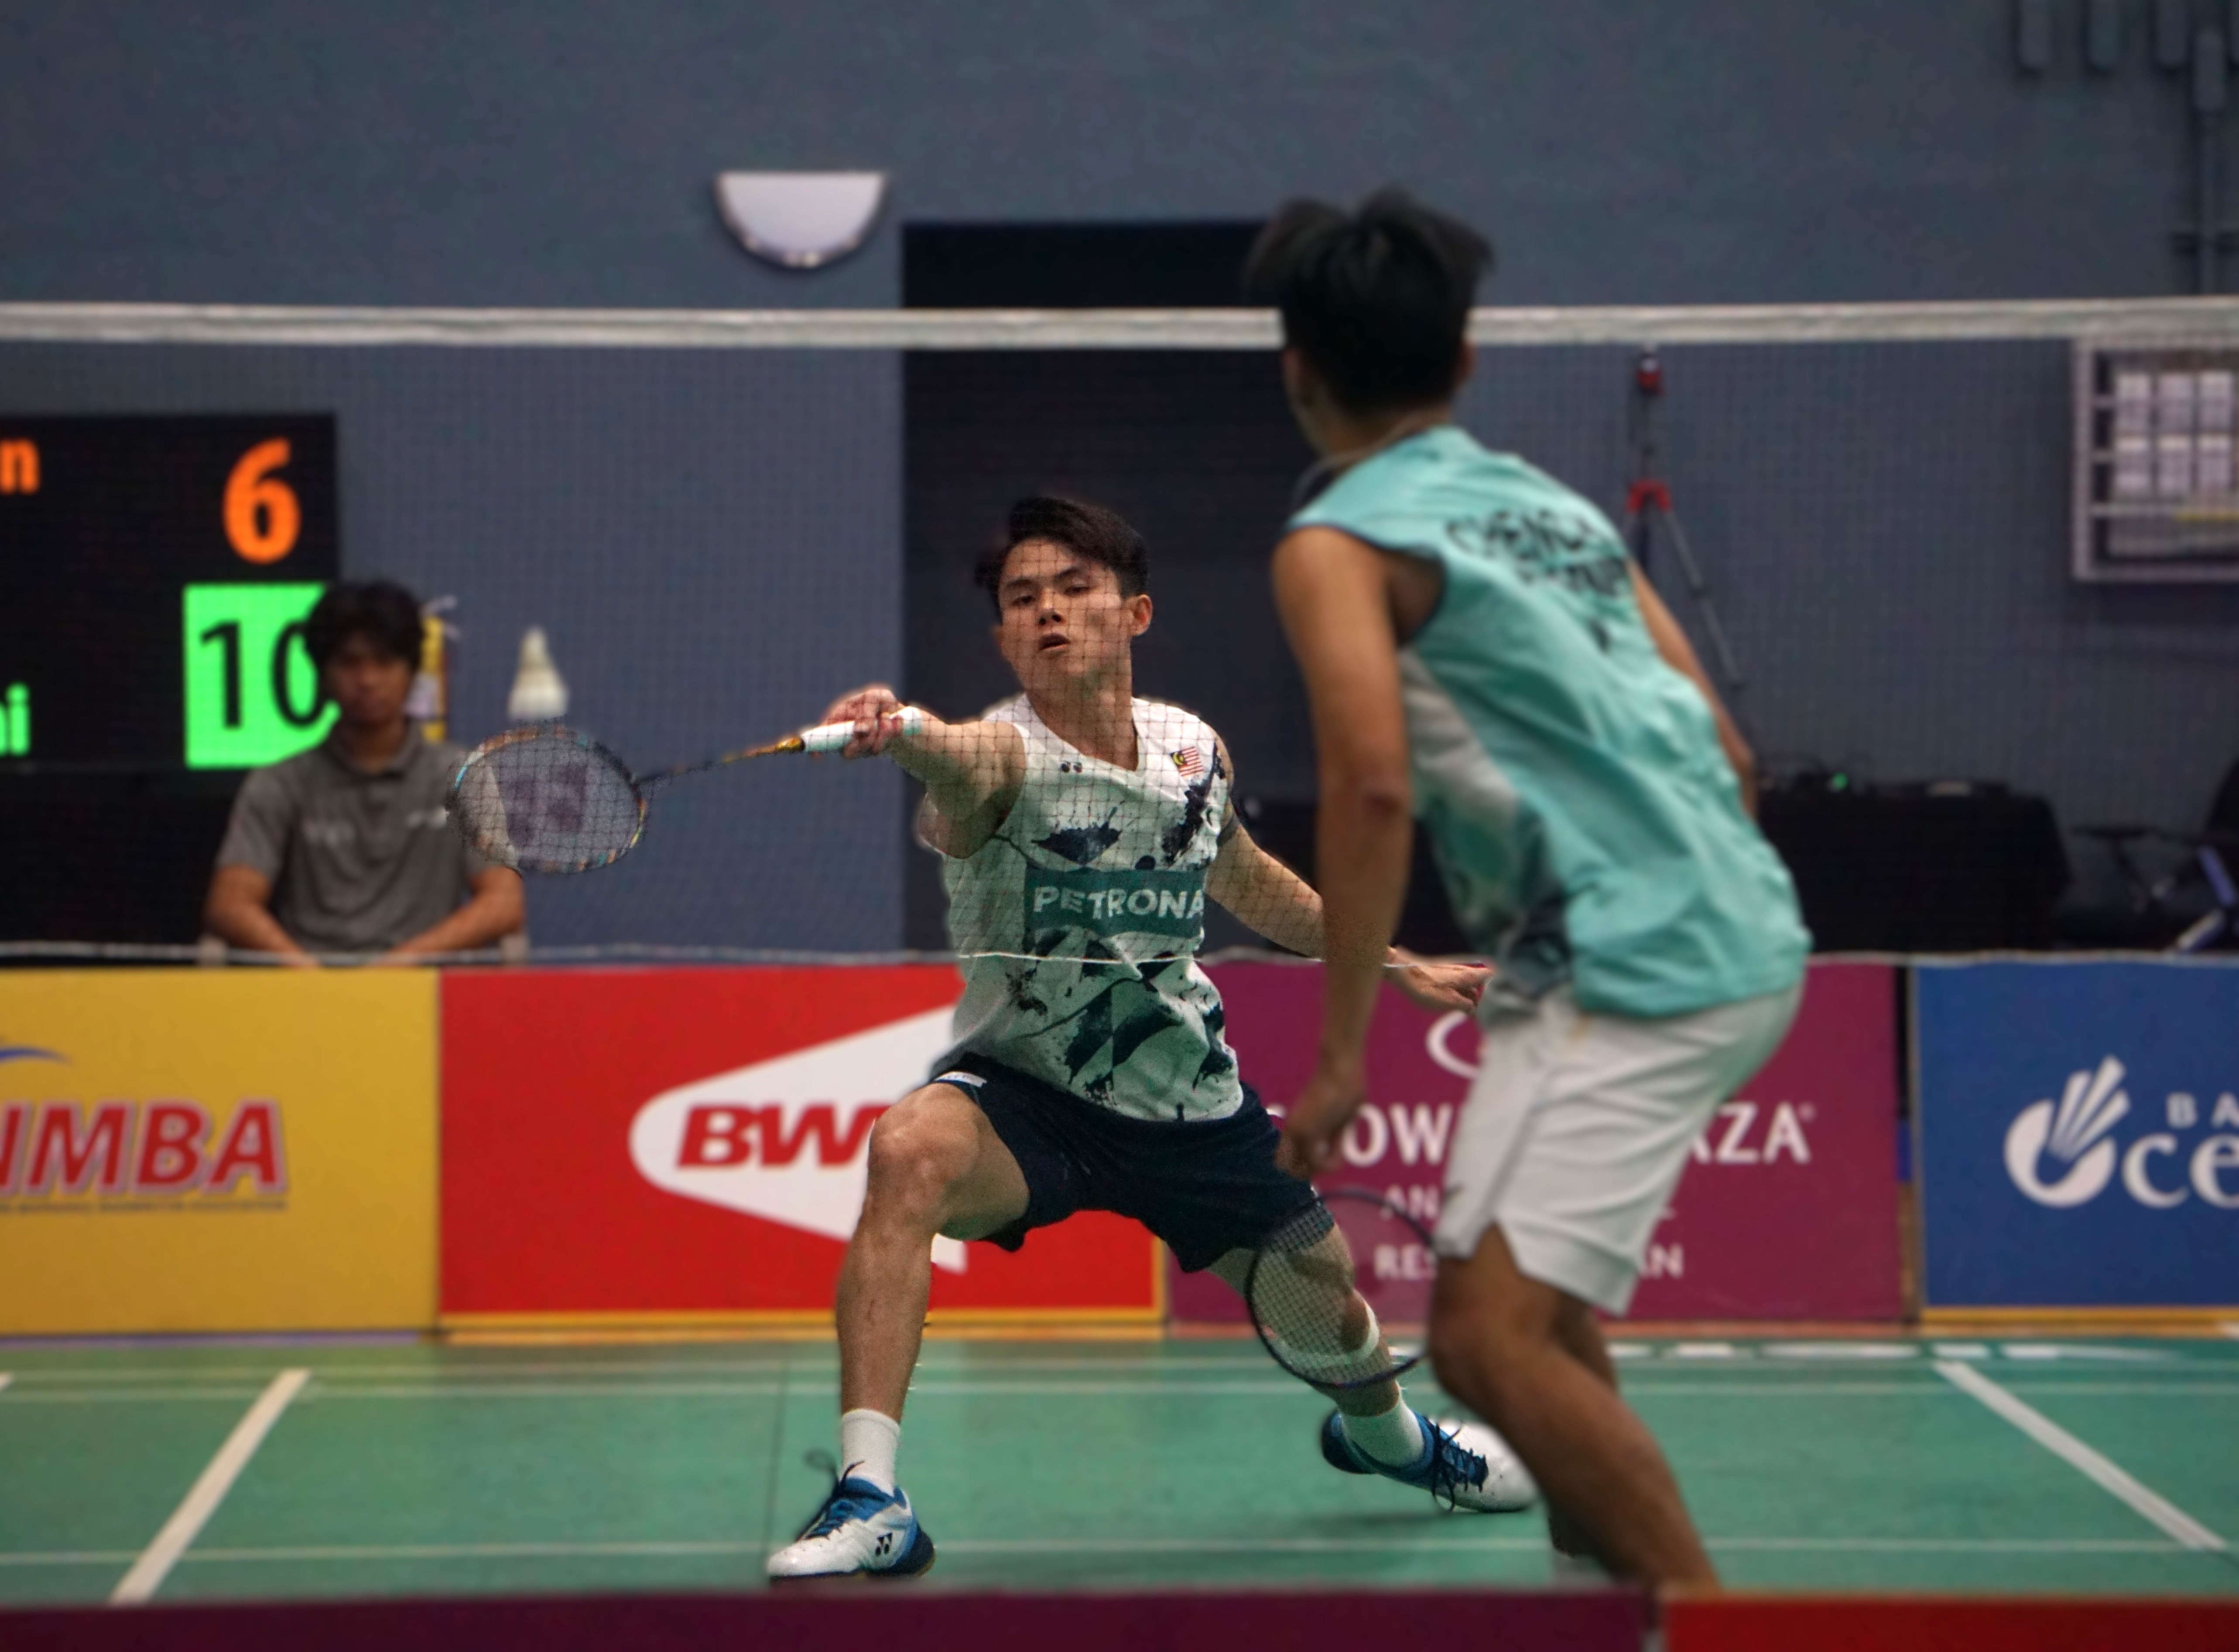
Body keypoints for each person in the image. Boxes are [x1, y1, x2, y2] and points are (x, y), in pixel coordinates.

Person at [765, 495, 1538, 1582]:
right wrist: (904, 731)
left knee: (1338, 1326)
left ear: (1134, 613)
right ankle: (871, 1494)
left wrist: (1402, 963)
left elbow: (1254, 883)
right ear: (1003, 636)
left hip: (1188, 1102)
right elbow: (955, 762)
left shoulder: (1191, 750)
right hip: (1026, 1092)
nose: (1046, 613)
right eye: (1021, 598)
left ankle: (1391, 1440)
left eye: (1074, 590)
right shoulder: (1000, 756)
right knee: (908, 1151)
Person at [1248, 191, 1809, 1590]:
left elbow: (1372, 790)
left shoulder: (1335, 545)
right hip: (1710, 925)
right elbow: (1727, 750)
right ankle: (1595, 1604)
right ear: (1468, 361)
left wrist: (1335, 1060)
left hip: (1629, 960)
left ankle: (1696, 1625)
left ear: (1296, 368)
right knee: (1534, 1318)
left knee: (1486, 1342)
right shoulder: (1559, 513)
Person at [203, 579, 524, 964]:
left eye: (385, 662)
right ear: (322, 674)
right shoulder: (279, 783)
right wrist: (310, 976)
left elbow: (503, 902)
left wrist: (398, 966)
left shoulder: (460, 775)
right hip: (309, 997)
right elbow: (230, 904)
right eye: (350, 663)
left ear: (411, 672)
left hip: (423, 993)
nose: (368, 680)